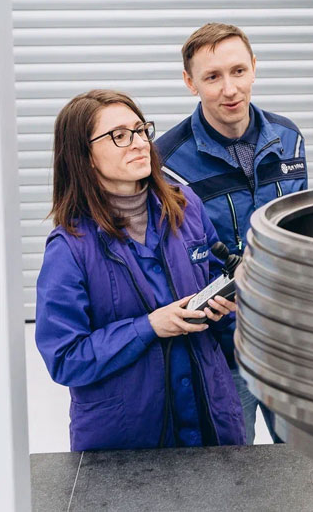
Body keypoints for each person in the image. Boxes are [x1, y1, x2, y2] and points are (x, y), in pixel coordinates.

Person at [35, 89, 246, 451]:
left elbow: (215, 278)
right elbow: (65, 358)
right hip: (127, 442)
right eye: (119, 136)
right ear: (84, 157)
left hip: (210, 420)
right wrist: (148, 327)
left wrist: (225, 303)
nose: (139, 143)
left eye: (140, 130)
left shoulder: (186, 205)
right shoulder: (69, 248)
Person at [156, 23, 308, 445]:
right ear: (190, 82)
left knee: (302, 463)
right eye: (212, 76)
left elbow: (301, 233)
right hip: (222, 350)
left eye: (238, 71)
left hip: (287, 343)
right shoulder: (167, 162)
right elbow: (172, 259)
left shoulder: (290, 139)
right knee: (231, 465)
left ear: (254, 67)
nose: (230, 89)